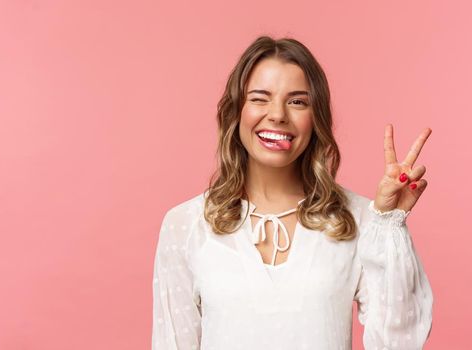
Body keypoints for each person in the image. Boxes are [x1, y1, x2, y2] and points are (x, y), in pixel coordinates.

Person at [150, 36, 434, 350]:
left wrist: (389, 222)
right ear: (236, 111)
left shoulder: (361, 220)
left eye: (297, 101)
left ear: (317, 119)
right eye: (259, 98)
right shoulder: (186, 225)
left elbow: (397, 343)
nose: (278, 114)